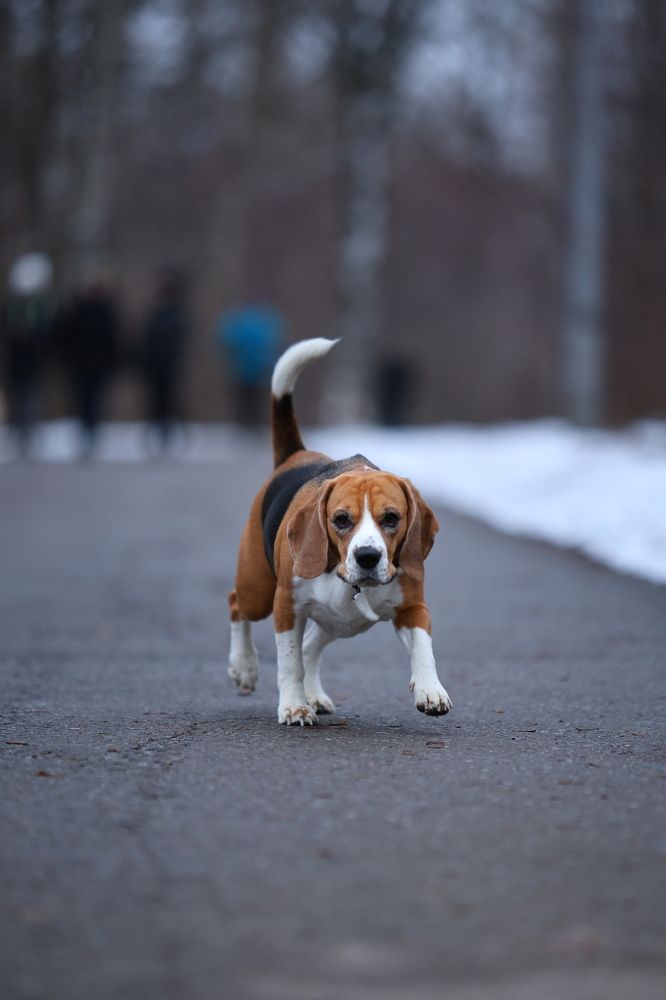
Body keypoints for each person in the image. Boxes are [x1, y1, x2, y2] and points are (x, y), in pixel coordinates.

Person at [1, 253, 54, 457]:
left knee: (30, 398)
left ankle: (30, 435)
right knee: (18, 399)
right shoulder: (12, 307)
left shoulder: (39, 308)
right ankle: (17, 434)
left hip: (32, 363)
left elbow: (48, 334)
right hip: (16, 362)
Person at [59, 280, 119, 457]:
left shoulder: (102, 312)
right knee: (85, 401)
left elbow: (111, 340)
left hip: (94, 366)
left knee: (93, 401)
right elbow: (68, 339)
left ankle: (91, 434)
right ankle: (86, 433)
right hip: (83, 366)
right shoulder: (82, 311)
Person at [140, 270, 188, 452]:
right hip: (160, 365)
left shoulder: (168, 314)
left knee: (166, 401)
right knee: (160, 401)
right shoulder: (169, 314)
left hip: (166, 365)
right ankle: (160, 435)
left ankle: (167, 435)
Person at [215, 299, 283, 427]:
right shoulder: (266, 321)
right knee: (257, 401)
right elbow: (275, 342)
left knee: (241, 400)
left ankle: (241, 425)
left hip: (240, 369)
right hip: (260, 370)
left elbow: (226, 341)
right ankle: (255, 425)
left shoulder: (237, 320)